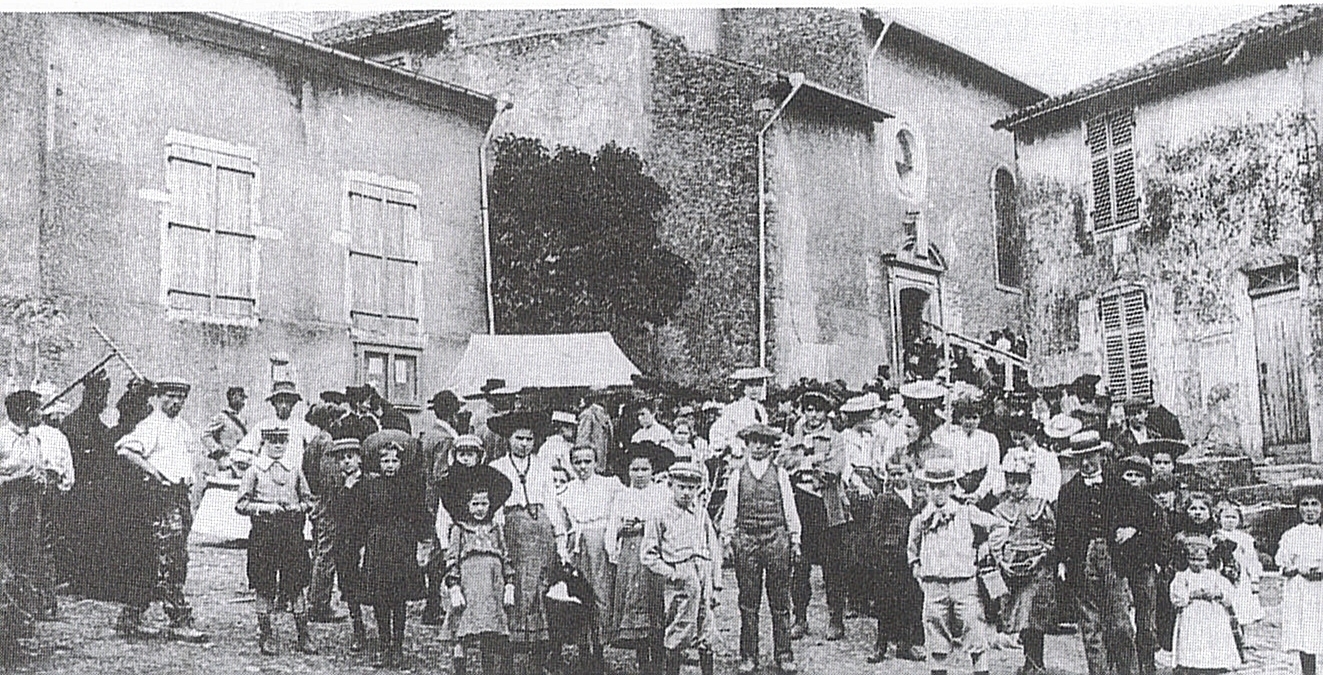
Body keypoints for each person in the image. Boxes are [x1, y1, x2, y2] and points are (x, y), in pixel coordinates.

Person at [60, 373, 158, 634]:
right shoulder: (104, 431)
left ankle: (114, 584)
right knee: (107, 540)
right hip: (102, 495)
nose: (103, 402)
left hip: (122, 497)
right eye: (99, 395)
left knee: (120, 541)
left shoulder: (116, 432)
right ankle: (100, 584)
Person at [114, 376, 209, 643]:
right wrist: (155, 474)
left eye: (181, 397)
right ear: (159, 397)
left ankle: (130, 617)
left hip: (180, 496)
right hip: (161, 499)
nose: (176, 402)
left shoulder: (182, 426)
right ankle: (178, 619)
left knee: (160, 558)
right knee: (171, 558)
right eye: (170, 396)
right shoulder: (151, 424)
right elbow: (125, 449)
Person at [907, 457, 1009, 675]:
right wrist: (917, 570)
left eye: (943, 487)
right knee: (935, 632)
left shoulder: (966, 512)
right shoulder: (921, 519)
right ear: (926, 489)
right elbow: (912, 549)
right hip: (934, 585)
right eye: (932, 487)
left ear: (952, 488)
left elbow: (999, 526)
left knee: (974, 629)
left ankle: (980, 670)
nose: (937, 493)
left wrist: (987, 547)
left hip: (965, 584)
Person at [1054, 431, 1143, 675]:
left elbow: (1143, 513)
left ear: (1101, 455)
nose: (1085, 463)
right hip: (1081, 561)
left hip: (1114, 560)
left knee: (1120, 625)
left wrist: (1131, 528)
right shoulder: (1069, 491)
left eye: (1090, 456)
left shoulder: (1118, 485)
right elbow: (1062, 530)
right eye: (1080, 458)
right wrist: (1062, 561)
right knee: (1091, 628)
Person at [719, 423, 801, 673]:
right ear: (746, 444)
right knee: (748, 601)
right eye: (753, 442)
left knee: (780, 600)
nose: (757, 447)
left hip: (776, 538)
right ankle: (748, 656)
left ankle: (784, 654)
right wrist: (727, 538)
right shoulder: (737, 474)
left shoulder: (780, 474)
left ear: (770, 447)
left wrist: (795, 538)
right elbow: (730, 507)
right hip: (746, 540)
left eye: (763, 442)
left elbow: (789, 507)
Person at [488, 410, 564, 675]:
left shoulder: (542, 466)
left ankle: (538, 655)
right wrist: (497, 532)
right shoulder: (497, 467)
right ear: (508, 439)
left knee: (539, 589)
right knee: (513, 588)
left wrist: (558, 534)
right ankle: (508, 653)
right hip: (512, 532)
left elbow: (551, 502)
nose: (524, 444)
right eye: (519, 438)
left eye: (529, 439)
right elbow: (495, 505)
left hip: (539, 532)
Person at [235, 427, 318, 655]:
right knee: (264, 585)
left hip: (291, 535)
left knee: (296, 585)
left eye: (282, 441)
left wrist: (298, 507)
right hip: (264, 536)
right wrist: (266, 508)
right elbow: (241, 504)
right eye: (273, 442)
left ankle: (304, 635)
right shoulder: (254, 470)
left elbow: (309, 501)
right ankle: (267, 635)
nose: (278, 446)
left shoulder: (295, 470)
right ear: (264, 444)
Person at [640, 461, 721, 675]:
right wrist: (672, 573)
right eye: (681, 487)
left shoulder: (701, 514)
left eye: (691, 488)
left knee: (706, 629)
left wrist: (716, 583)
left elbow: (713, 548)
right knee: (679, 629)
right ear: (671, 485)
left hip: (702, 573)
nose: (686, 493)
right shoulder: (659, 515)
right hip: (679, 580)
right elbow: (648, 555)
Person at [360, 441, 431, 668]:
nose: (390, 465)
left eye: (394, 461)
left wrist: (423, 543)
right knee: (380, 598)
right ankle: (384, 645)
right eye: (385, 461)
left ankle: (398, 646)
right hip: (378, 545)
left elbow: (420, 515)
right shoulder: (370, 486)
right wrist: (361, 544)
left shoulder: (409, 486)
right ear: (378, 463)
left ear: (401, 463)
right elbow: (362, 516)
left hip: (402, 545)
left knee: (399, 598)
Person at [778, 389, 843, 641]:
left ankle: (836, 619)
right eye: (808, 410)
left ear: (826, 413)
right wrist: (812, 459)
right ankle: (800, 618)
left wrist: (804, 465)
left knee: (832, 566)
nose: (813, 415)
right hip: (799, 505)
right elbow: (783, 463)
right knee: (799, 565)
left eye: (818, 410)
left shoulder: (835, 438)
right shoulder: (795, 436)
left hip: (826, 506)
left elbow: (833, 470)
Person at [440, 461, 515, 675]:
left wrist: (509, 584)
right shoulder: (460, 529)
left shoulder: (495, 529)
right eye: (475, 504)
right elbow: (452, 558)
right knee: (464, 625)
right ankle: (460, 664)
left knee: (490, 627)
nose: (480, 509)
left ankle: (488, 666)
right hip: (469, 584)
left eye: (484, 504)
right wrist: (454, 586)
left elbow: (505, 556)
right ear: (467, 505)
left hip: (493, 584)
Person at [606, 442, 675, 673]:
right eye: (634, 469)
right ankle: (642, 658)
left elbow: (668, 523)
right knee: (636, 603)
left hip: (654, 553)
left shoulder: (662, 494)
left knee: (655, 603)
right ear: (628, 471)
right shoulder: (622, 496)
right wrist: (621, 529)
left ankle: (659, 657)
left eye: (644, 469)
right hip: (631, 555)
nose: (639, 474)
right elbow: (612, 526)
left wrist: (646, 526)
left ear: (653, 471)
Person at [557, 444, 622, 671]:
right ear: (572, 464)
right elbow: (563, 523)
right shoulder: (566, 490)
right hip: (577, 547)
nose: (583, 466)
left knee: (600, 595)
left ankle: (599, 649)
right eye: (578, 462)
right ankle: (583, 648)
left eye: (587, 461)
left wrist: (611, 542)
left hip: (600, 545)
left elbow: (617, 516)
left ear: (596, 462)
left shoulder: (610, 486)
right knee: (578, 596)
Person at [992, 450, 1056, 675]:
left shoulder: (1040, 506)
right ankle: (1029, 661)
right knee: (1019, 617)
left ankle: (1036, 663)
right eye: (1012, 482)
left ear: (1029, 482)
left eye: (1020, 482)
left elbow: (1052, 536)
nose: (1016, 487)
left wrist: (1041, 556)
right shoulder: (1000, 509)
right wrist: (1002, 562)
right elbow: (994, 541)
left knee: (1033, 616)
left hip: (1036, 568)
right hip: (1012, 569)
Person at [0, 390, 49, 656]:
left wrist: (41, 478)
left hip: (29, 509)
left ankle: (18, 632)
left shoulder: (33, 439)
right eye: (38, 409)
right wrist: (16, 478)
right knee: (6, 569)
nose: (42, 413)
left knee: (24, 566)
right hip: (6, 508)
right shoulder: (3, 438)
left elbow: (38, 468)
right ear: (26, 411)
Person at [865, 453, 926, 663]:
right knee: (886, 602)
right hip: (890, 559)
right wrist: (883, 551)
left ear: (911, 472)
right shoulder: (884, 499)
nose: (896, 478)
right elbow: (875, 530)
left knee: (910, 600)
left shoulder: (920, 499)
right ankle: (880, 645)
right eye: (892, 474)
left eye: (900, 473)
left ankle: (905, 644)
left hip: (912, 556)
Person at [303, 403, 348, 624]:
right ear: (330, 420)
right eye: (337, 419)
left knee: (318, 551)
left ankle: (314, 599)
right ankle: (320, 605)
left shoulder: (314, 441)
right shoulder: (327, 442)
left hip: (317, 502)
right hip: (328, 506)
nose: (339, 423)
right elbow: (331, 479)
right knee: (326, 554)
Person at [326, 438, 371, 653]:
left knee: (371, 585)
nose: (346, 461)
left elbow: (371, 513)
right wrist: (345, 489)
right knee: (349, 587)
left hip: (365, 541)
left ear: (359, 459)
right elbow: (334, 511)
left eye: (350, 457)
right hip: (345, 543)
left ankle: (383, 630)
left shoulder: (369, 483)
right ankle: (358, 629)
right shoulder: (338, 485)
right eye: (341, 458)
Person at [1170, 536, 1240, 673]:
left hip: (1212, 613)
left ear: (1207, 559)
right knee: (1193, 637)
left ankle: (1214, 662)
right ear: (1187, 559)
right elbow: (1176, 596)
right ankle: (1191, 663)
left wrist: (1216, 594)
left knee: (1213, 637)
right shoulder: (1182, 576)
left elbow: (1228, 593)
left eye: (1201, 560)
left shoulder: (1214, 576)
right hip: (1191, 613)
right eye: (1193, 559)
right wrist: (1191, 595)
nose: (1197, 563)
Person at [1276, 483, 1323, 675]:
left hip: (1320, 588)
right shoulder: (1291, 535)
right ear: (1298, 508)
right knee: (1306, 634)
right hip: (1301, 590)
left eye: (1315, 504)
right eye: (1305, 504)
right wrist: (1297, 569)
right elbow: (1283, 566)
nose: (1310, 509)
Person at [931, 398, 1003, 510]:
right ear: (960, 418)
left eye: (975, 418)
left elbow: (993, 469)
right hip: (956, 491)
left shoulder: (989, 439)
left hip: (982, 491)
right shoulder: (950, 438)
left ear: (980, 418)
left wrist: (979, 494)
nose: (970, 422)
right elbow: (948, 468)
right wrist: (958, 492)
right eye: (967, 417)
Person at [233, 381, 315, 473]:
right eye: (280, 401)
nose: (284, 406)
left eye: (288, 401)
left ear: (293, 403)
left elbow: (316, 451)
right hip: (267, 477)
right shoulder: (263, 426)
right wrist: (260, 462)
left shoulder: (303, 427)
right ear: (273, 403)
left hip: (294, 476)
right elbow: (238, 453)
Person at [1213, 501, 1264, 626]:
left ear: (1239, 520)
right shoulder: (1215, 536)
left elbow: (1251, 559)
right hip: (1221, 575)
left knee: (1241, 611)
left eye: (1233, 517)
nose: (1230, 520)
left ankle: (1241, 635)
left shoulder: (1245, 538)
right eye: (1226, 517)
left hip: (1241, 578)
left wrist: (1254, 579)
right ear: (1219, 518)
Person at [199, 385, 248, 506]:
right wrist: (217, 450)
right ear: (232, 397)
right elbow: (205, 434)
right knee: (222, 496)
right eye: (240, 397)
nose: (243, 401)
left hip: (239, 464)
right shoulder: (222, 417)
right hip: (226, 463)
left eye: (244, 398)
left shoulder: (242, 419)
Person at [708, 366, 772, 458]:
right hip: (738, 454)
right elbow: (716, 431)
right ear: (744, 387)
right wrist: (731, 446)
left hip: (756, 454)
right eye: (750, 385)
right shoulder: (734, 408)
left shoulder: (761, 410)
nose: (754, 389)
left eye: (758, 385)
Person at [576, 387, 616, 474]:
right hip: (593, 465)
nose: (609, 399)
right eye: (605, 396)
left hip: (605, 464)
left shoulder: (605, 415)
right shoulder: (589, 415)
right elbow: (582, 441)